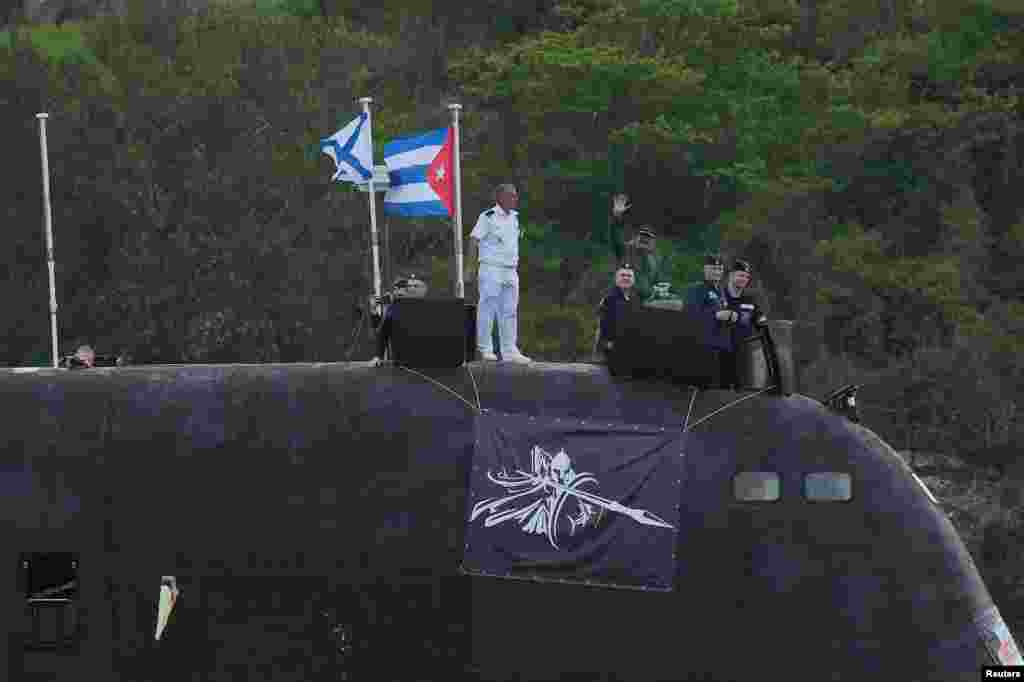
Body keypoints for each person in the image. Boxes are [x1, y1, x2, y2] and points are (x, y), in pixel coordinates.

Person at [465, 183, 531, 363]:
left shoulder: (515, 218)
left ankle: (509, 349)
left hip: (510, 269)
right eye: (511, 196)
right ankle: (485, 348)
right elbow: (473, 240)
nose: (515, 199)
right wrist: (470, 268)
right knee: (488, 308)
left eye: (516, 196)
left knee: (510, 310)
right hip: (491, 267)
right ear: (500, 197)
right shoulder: (488, 217)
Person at [718, 259, 768, 388]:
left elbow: (761, 322)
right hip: (719, 355)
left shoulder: (750, 300)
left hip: (742, 355)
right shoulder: (718, 296)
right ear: (730, 275)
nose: (744, 279)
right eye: (740, 275)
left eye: (746, 276)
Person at [371, 275, 428, 367]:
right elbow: (381, 331)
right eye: (395, 289)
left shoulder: (422, 306)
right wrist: (374, 311)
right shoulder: (393, 307)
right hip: (401, 359)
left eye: (415, 286)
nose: (397, 292)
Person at [595, 264, 640, 360]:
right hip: (612, 350)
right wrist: (607, 344)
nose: (626, 278)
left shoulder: (635, 300)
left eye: (629, 276)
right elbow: (602, 326)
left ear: (633, 280)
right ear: (616, 279)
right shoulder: (609, 299)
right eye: (622, 275)